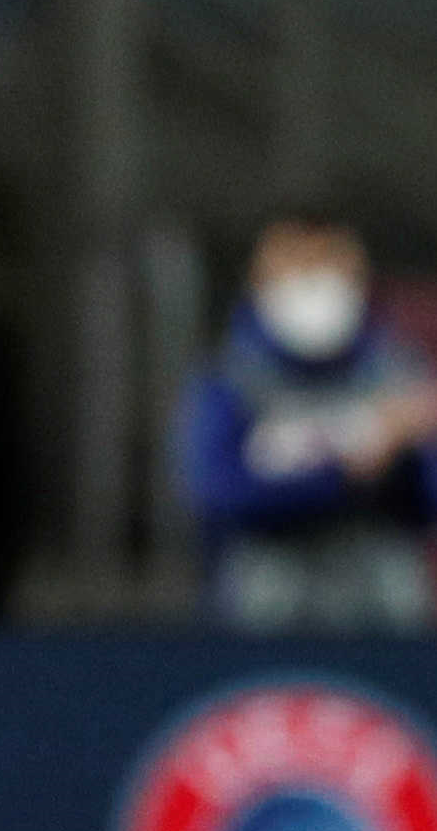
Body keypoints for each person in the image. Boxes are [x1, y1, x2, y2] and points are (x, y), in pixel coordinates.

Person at [181, 212, 437, 633]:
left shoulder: (399, 375)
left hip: (384, 622)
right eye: (298, 268)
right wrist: (346, 470)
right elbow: (219, 493)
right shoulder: (228, 381)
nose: (315, 286)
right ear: (261, 281)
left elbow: (427, 500)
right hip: (261, 622)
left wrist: (405, 456)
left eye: (330, 267)